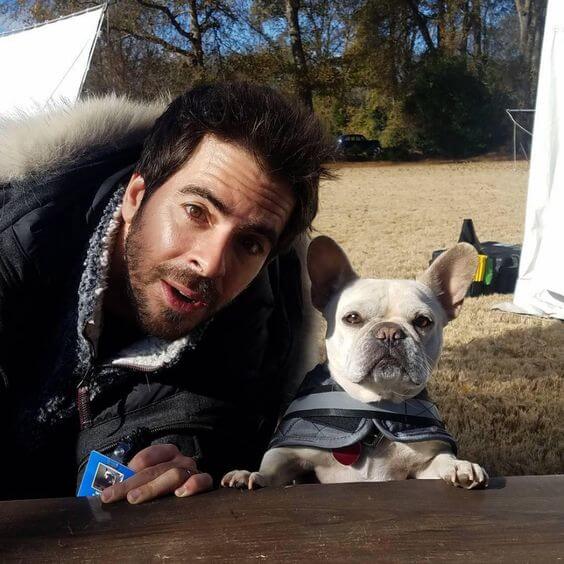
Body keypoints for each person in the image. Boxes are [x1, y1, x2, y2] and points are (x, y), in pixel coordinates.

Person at [0, 82, 333, 502]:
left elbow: (196, 430)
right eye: (197, 212)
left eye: (249, 243)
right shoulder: (13, 248)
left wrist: (167, 465)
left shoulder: (254, 349)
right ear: (136, 196)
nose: (210, 263)